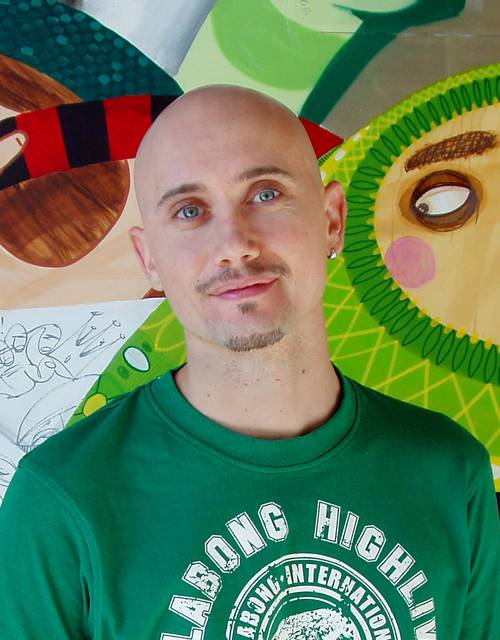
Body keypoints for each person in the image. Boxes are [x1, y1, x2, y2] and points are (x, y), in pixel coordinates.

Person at [0, 85, 498, 640]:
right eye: (190, 211)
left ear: (332, 219)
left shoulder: (450, 474)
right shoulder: (63, 498)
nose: (234, 243)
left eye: (264, 194)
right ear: (150, 258)